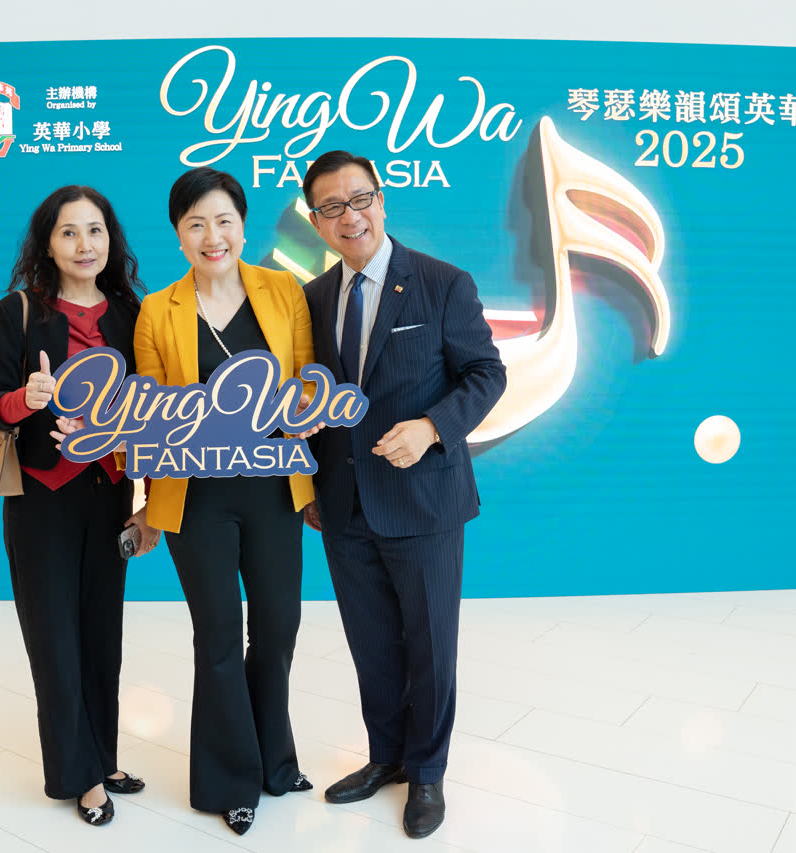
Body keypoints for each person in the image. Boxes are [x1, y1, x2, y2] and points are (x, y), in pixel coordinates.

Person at [299, 151, 506, 839]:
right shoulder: (312, 299)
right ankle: (385, 756)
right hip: (343, 504)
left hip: (424, 500)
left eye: (360, 199)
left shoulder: (442, 283)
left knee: (430, 645)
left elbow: (486, 373)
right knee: (372, 644)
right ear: (316, 221)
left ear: (381, 201)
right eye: (332, 206)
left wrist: (432, 427)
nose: (350, 215)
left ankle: (427, 772)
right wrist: (308, 485)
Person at [133, 166, 315, 836]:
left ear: (242, 225)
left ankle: (275, 762)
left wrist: (298, 415)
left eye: (224, 221)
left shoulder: (283, 290)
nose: (213, 236)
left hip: (274, 490)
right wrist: (144, 502)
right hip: (196, 500)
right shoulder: (158, 310)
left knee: (278, 627)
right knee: (216, 637)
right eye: (196, 224)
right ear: (179, 235)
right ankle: (230, 780)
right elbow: (148, 415)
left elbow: (308, 383)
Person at [0, 185, 160, 827]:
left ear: (112, 239)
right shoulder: (19, 311)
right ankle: (78, 777)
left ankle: (102, 758)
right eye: (69, 232)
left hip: (110, 496)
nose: (85, 245)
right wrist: (24, 400)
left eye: (96, 230)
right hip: (41, 500)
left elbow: (150, 413)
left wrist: (148, 501)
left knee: (102, 637)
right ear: (48, 244)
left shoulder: (131, 313)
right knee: (55, 640)